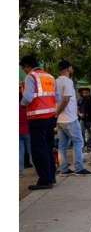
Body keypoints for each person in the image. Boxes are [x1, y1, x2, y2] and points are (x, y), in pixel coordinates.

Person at [20, 52, 57, 190]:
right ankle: (51, 177)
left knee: (38, 150)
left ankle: (44, 180)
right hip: (50, 117)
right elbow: (56, 97)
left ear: (28, 66)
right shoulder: (50, 77)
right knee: (48, 148)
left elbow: (28, 97)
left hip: (37, 118)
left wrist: (22, 103)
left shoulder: (31, 77)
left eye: (24, 68)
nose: (24, 71)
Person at [55, 60, 91, 177]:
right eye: (72, 68)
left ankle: (64, 169)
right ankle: (79, 168)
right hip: (69, 118)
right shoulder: (68, 82)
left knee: (62, 145)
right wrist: (58, 112)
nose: (73, 70)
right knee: (78, 142)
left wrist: (57, 114)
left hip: (60, 120)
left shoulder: (55, 81)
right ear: (68, 68)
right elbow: (66, 99)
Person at [19, 88, 31, 174]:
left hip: (18, 132)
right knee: (32, 151)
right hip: (27, 131)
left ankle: (20, 170)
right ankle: (38, 168)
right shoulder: (26, 107)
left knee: (20, 151)